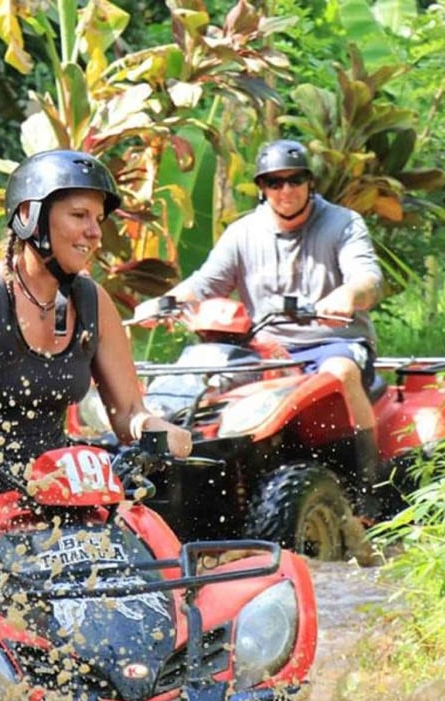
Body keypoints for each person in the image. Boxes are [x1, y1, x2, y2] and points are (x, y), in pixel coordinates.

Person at [0, 148, 192, 575]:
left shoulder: (92, 301)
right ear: (30, 217)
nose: (94, 232)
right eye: (80, 216)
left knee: (144, 573)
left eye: (98, 219)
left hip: (53, 488)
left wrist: (161, 430)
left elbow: (129, 414)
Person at [158, 138, 386, 517]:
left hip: (333, 342)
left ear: (309, 182)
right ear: (262, 187)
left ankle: (368, 487)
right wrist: (169, 301)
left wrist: (349, 295)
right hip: (264, 347)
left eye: (295, 180)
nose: (286, 190)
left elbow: (369, 278)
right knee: (200, 383)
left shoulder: (343, 224)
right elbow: (205, 283)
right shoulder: (243, 232)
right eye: (274, 182)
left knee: (341, 372)